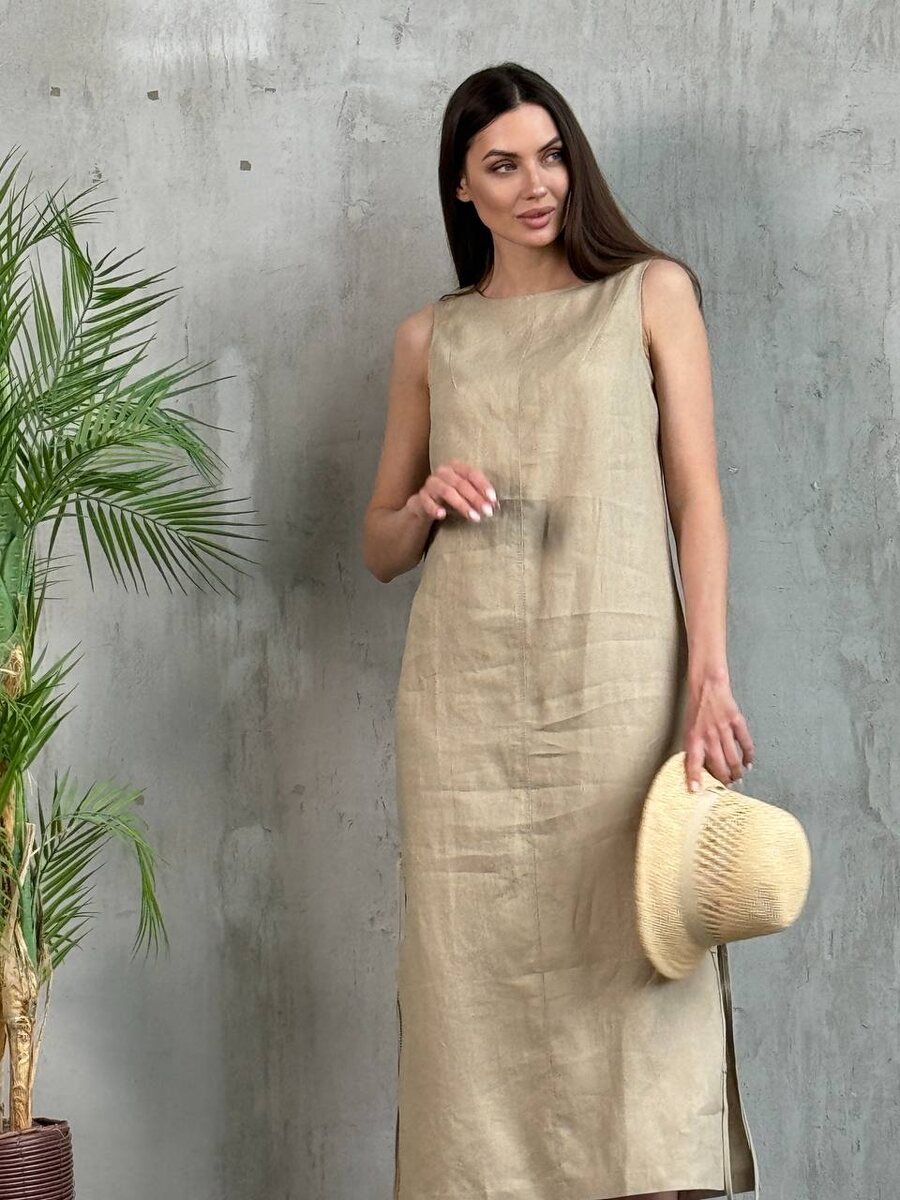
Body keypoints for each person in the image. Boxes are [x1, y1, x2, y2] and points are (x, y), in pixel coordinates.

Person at [362, 61, 759, 1200]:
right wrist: (424, 503)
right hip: (464, 707)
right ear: (461, 188)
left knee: (636, 964)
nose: (536, 185)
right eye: (503, 166)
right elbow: (379, 545)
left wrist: (709, 676)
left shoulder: (649, 294)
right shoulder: (430, 339)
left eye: (550, 156)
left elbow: (697, 499)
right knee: (470, 985)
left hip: (618, 684)